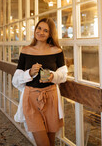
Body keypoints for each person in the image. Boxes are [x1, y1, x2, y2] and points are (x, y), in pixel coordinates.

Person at [12, 17, 68, 146]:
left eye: (45, 30)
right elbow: (15, 79)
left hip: (51, 97)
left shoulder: (57, 51)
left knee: (51, 141)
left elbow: (63, 75)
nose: (41, 32)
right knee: (42, 142)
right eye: (39, 28)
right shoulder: (26, 50)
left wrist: (53, 76)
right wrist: (29, 73)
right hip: (31, 98)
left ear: (50, 34)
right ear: (35, 29)